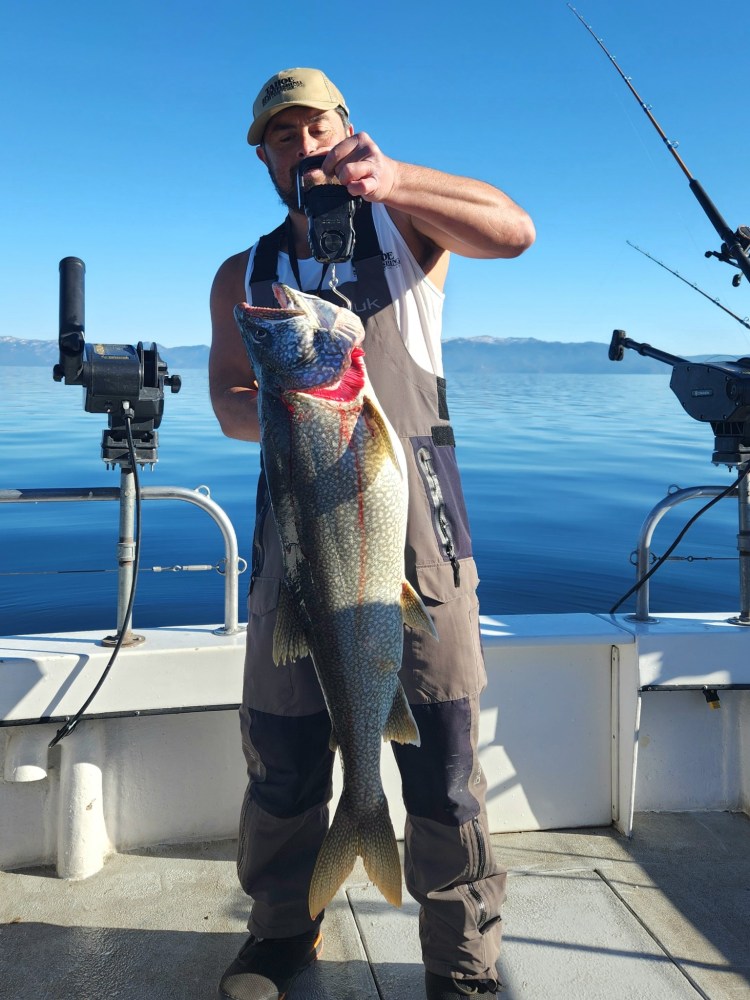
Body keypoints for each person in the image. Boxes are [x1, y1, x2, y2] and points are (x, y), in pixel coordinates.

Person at [209, 67, 535, 1000]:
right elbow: (232, 399)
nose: (301, 146)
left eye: (315, 128)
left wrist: (393, 180)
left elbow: (514, 230)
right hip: (300, 540)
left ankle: (462, 965)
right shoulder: (247, 275)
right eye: (281, 136)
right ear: (263, 156)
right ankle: (280, 936)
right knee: (280, 764)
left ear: (347, 130)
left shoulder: (409, 233)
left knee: (444, 773)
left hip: (419, 538)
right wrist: (288, 394)